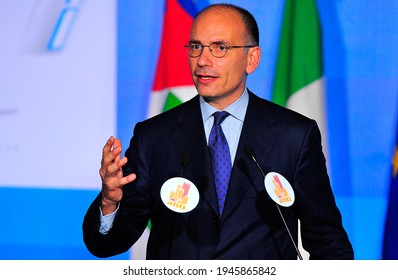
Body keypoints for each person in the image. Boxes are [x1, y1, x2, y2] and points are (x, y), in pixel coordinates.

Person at [83, 3, 354, 260]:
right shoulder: (154, 136)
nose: (202, 60)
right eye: (196, 47)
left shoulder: (294, 135)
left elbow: (327, 239)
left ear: (252, 58)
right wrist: (109, 201)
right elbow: (108, 243)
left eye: (220, 47)